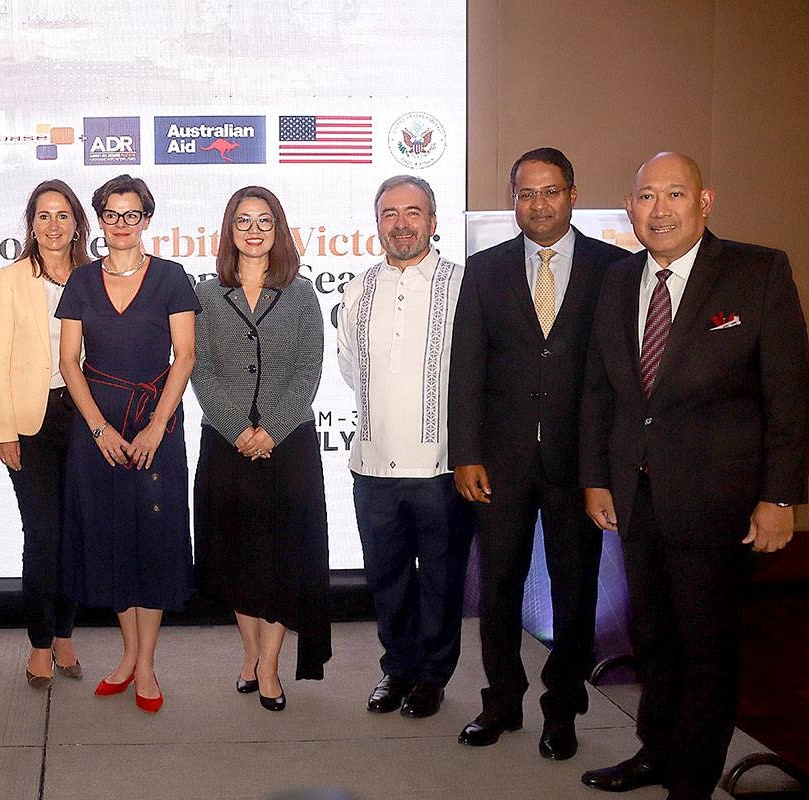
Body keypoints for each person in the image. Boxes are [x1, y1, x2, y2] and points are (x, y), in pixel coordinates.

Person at [579, 152, 809, 800]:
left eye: (674, 194)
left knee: (707, 645)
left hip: (719, 500)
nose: (659, 209)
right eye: (646, 197)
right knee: (652, 635)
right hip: (637, 495)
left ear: (704, 201)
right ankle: (657, 751)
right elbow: (601, 390)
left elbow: (788, 395)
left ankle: (694, 778)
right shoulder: (618, 281)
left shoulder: (757, 271)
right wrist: (596, 476)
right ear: (630, 208)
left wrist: (779, 496)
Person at [448, 148, 630, 757]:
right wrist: (465, 452)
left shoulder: (616, 268)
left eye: (550, 192)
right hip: (498, 462)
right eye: (526, 194)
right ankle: (501, 702)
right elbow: (466, 367)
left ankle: (563, 709)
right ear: (513, 199)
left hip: (581, 465)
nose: (538, 204)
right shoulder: (485, 269)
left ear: (573, 195)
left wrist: (606, 463)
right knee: (497, 585)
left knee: (573, 588)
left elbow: (620, 375)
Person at [56, 174, 199, 713]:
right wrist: (98, 429)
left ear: (146, 219)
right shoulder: (81, 283)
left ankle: (146, 665)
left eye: (130, 214)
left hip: (156, 427)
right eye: (111, 215)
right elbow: (70, 362)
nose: (120, 224)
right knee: (112, 543)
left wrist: (157, 427)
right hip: (98, 433)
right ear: (99, 220)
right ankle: (128, 655)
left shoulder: (171, 278)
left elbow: (183, 356)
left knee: (154, 545)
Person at [337, 175, 473, 719]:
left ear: (433, 223)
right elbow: (350, 365)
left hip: (441, 467)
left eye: (412, 212)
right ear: (377, 224)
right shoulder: (357, 287)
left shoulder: (464, 285)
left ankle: (432, 677)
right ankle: (397, 669)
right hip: (372, 465)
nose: (400, 223)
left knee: (441, 579)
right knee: (386, 578)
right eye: (389, 213)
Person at [191, 185, 330, 711]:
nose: (253, 230)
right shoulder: (206, 296)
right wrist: (235, 428)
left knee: (280, 562)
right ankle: (250, 653)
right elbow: (198, 366)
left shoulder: (300, 293)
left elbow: (307, 370)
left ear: (278, 229)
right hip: (226, 447)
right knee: (236, 560)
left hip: (287, 446)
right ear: (229, 230)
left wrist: (271, 428)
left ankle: (270, 666)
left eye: (264, 221)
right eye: (243, 221)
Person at [0, 179, 90, 688]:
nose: (52, 225)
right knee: (43, 535)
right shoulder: (9, 279)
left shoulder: (96, 277)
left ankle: (66, 634)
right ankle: (40, 644)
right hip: (31, 425)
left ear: (76, 224)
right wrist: (3, 430)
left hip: (87, 421)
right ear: (31, 224)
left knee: (75, 536)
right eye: (43, 216)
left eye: (62, 215)